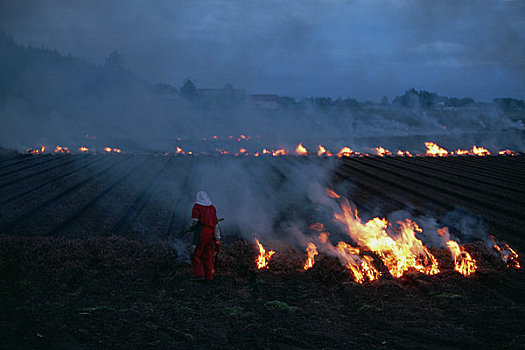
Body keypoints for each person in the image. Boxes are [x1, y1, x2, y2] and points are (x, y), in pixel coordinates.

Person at [190, 191, 221, 281]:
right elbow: (215, 224)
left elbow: (195, 221)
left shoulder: (197, 207)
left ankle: (199, 275)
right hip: (211, 232)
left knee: (196, 253)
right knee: (208, 255)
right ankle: (208, 276)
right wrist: (217, 237)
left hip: (202, 232)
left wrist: (192, 227)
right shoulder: (212, 208)